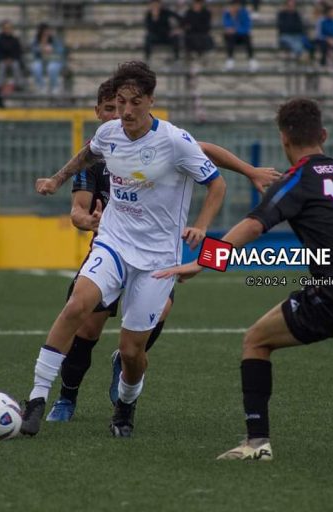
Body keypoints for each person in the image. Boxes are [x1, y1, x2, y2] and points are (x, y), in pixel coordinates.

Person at [155, 98, 333, 460]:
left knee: (255, 340)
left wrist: (202, 262)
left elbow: (255, 225)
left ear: (283, 139)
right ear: (323, 134)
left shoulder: (297, 179)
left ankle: (257, 443)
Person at [46, 78, 281, 422]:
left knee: (151, 324)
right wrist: (89, 221)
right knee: (87, 329)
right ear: (98, 112)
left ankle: (127, 367)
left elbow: (205, 152)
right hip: (111, 251)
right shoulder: (95, 158)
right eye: (112, 107)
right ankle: (66, 398)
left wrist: (249, 172)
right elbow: (77, 210)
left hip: (156, 255)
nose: (122, 112)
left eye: (128, 104)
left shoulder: (161, 143)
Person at [21, 61, 227, 438]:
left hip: (157, 258)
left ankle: (126, 406)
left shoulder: (174, 141)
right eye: (121, 101)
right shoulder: (109, 132)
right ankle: (36, 399)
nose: (127, 110)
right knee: (76, 306)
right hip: (114, 241)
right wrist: (56, 178)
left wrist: (202, 227)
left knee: (132, 352)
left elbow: (217, 185)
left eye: (135, 102)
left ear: (151, 101)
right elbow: (89, 152)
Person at [223, 0, 257, 71]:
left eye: (237, 5)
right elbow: (227, 26)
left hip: (242, 36)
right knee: (230, 36)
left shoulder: (244, 12)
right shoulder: (227, 14)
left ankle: (251, 59)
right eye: (233, 5)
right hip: (232, 37)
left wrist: (236, 30)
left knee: (247, 37)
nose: (235, 7)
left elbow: (246, 27)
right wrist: (232, 17)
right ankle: (230, 59)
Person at [0, 20, 25, 93]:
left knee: (16, 65)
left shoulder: (15, 40)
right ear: (3, 29)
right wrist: (4, 59)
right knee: (1, 65)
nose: (8, 30)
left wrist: (11, 59)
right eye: (6, 28)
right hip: (1, 60)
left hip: (12, 60)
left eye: (9, 28)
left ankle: (19, 85)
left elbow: (18, 52)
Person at [31, 23, 64, 94]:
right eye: (44, 32)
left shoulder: (54, 39)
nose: (46, 33)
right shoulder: (36, 40)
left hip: (54, 60)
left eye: (47, 31)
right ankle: (41, 86)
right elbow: (33, 49)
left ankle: (54, 86)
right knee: (35, 67)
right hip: (40, 60)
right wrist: (41, 48)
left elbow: (61, 50)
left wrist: (52, 49)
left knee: (51, 68)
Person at [315, 3, 333, 70]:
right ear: (327, 13)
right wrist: (327, 39)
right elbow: (318, 34)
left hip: (332, 39)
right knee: (324, 46)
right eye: (332, 12)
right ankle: (322, 63)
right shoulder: (320, 21)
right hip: (323, 39)